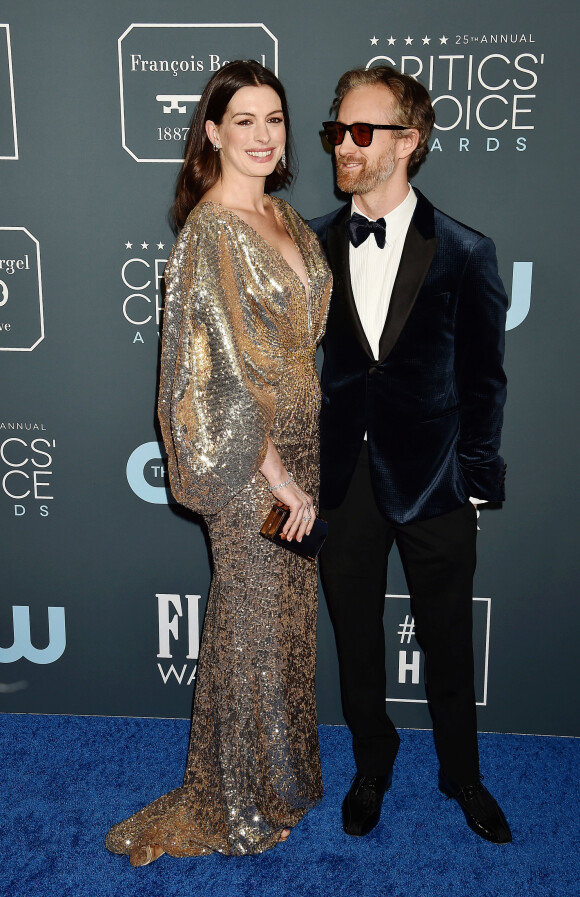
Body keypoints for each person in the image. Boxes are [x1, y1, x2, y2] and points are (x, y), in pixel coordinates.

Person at [105, 60, 331, 865]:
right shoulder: (209, 231)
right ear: (211, 132)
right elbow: (216, 377)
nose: (265, 134)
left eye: (275, 118)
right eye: (245, 120)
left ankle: (276, 781)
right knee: (253, 627)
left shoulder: (287, 218)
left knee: (281, 628)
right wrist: (276, 475)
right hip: (252, 466)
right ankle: (239, 799)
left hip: (302, 446)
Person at [309, 65, 511, 844]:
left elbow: (485, 381)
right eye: (339, 130)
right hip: (343, 482)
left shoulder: (466, 251)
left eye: (363, 131)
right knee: (355, 641)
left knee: (449, 643)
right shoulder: (314, 244)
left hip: (435, 481)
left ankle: (463, 773)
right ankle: (372, 761)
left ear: (410, 141)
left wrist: (477, 485)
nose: (344, 145)